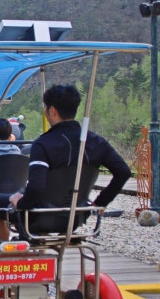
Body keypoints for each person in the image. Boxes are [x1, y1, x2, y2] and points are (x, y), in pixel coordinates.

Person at [9, 84, 131, 212]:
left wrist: (20, 203)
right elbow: (123, 172)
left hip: (40, 216)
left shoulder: (42, 144)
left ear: (52, 111)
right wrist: (101, 202)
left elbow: (36, 186)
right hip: (79, 214)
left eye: (45, 107)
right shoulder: (96, 141)